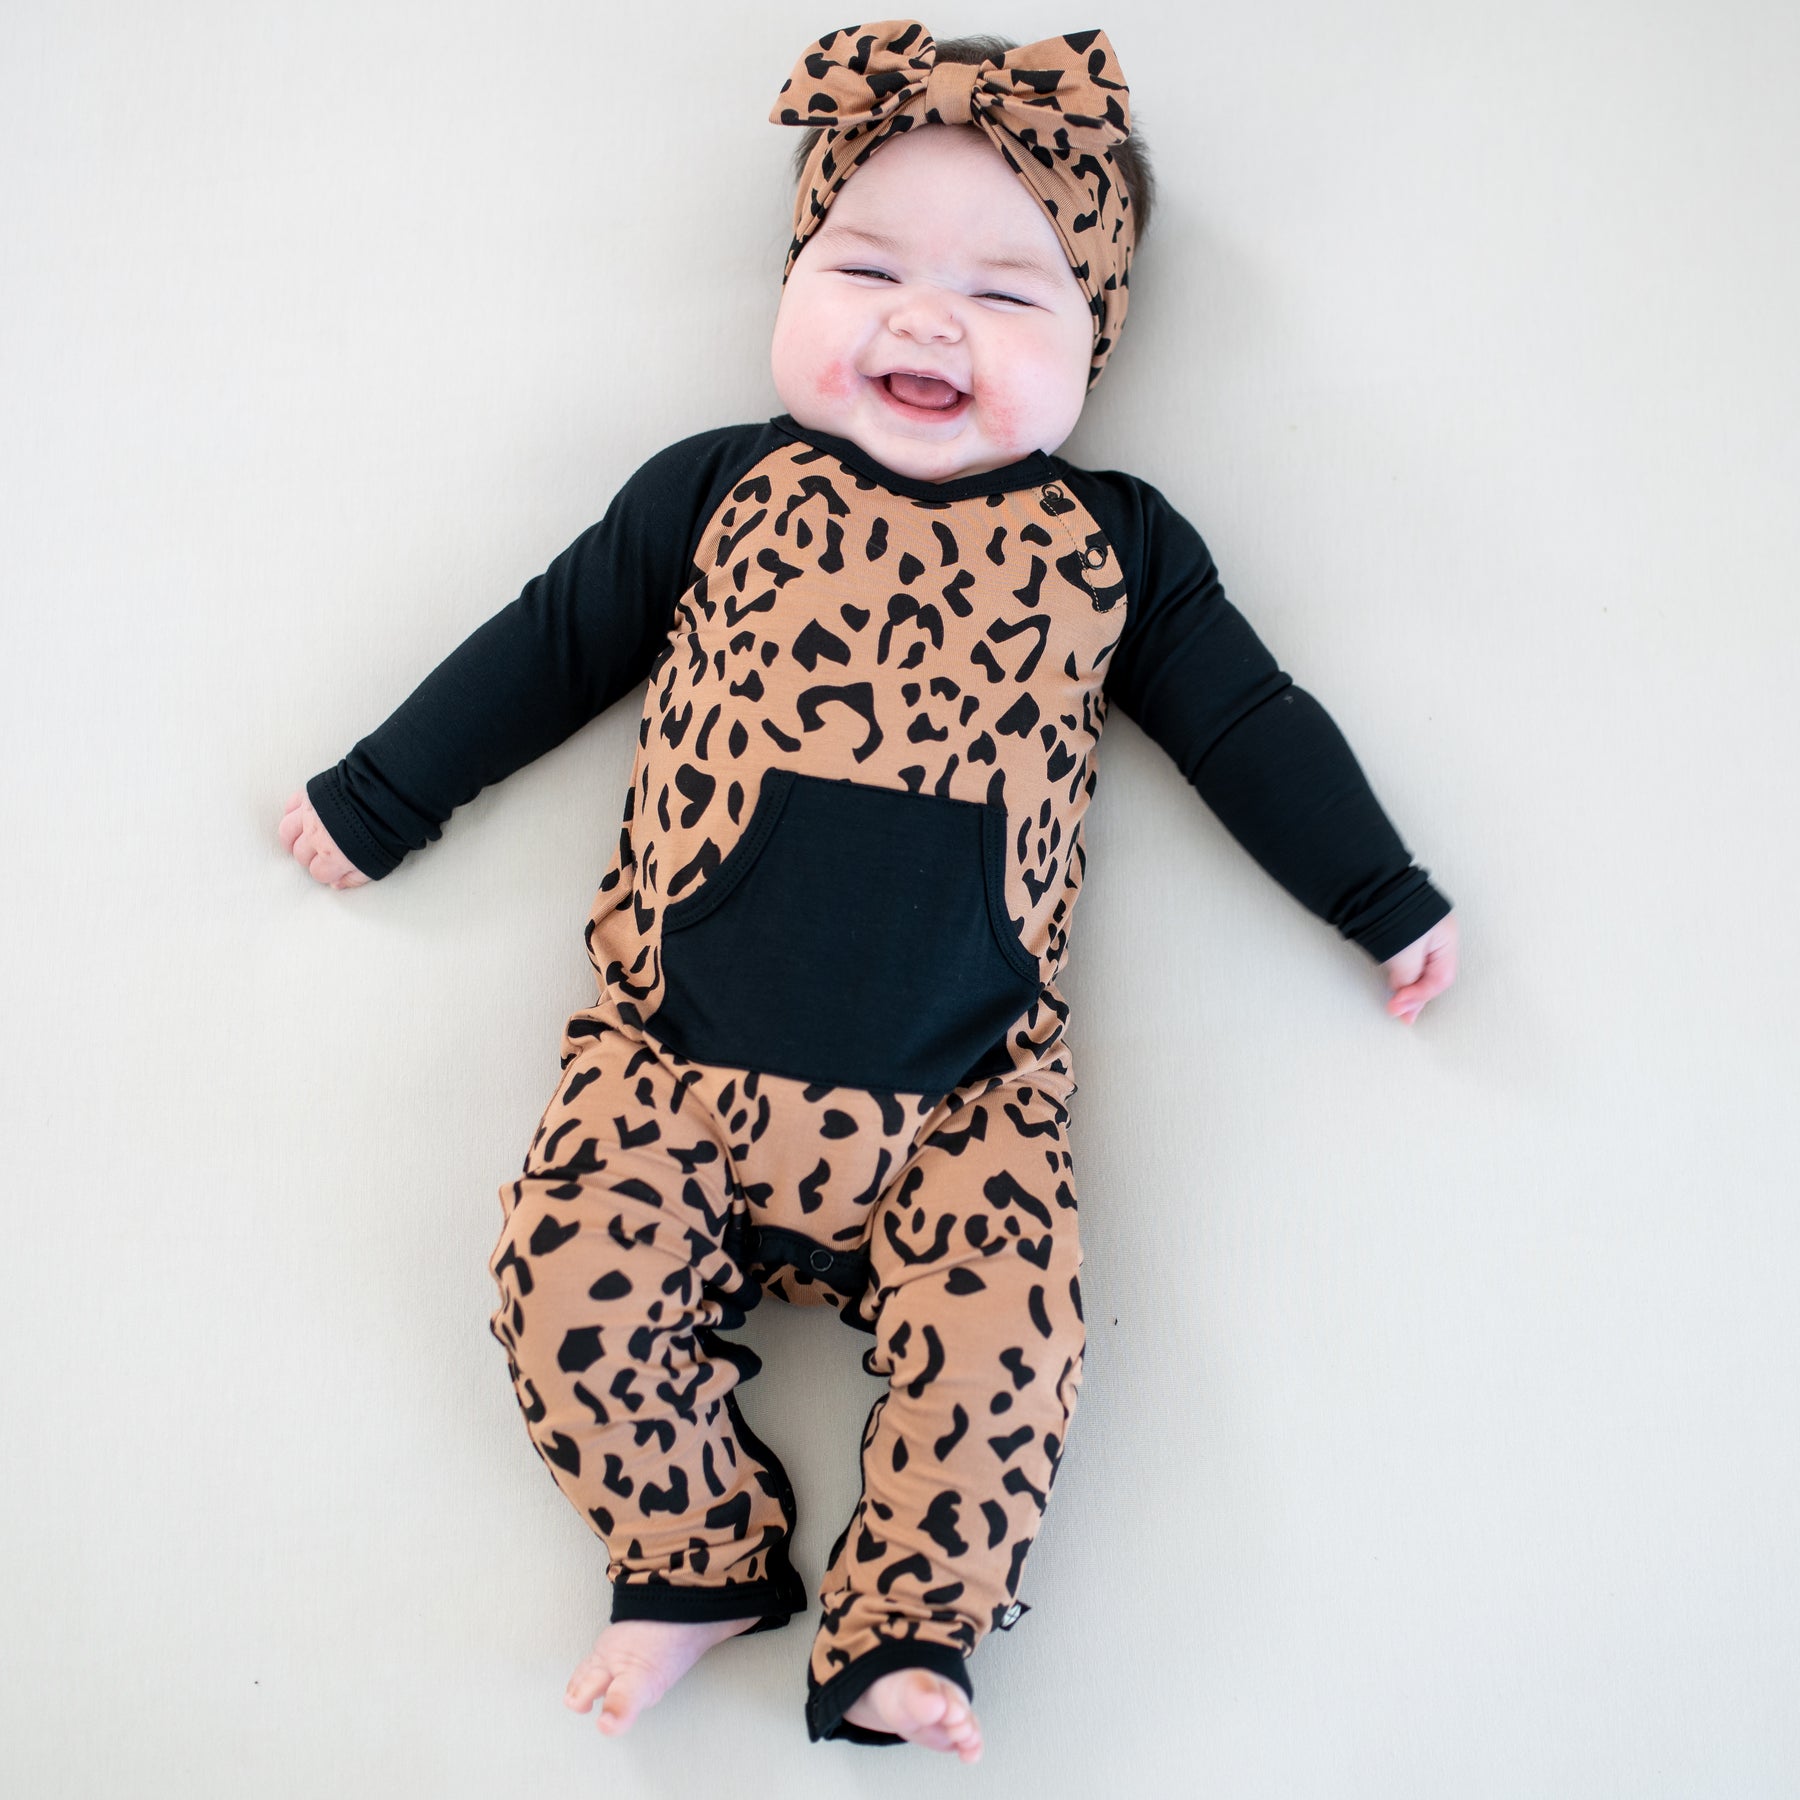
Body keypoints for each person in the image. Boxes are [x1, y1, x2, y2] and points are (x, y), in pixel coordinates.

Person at [278, 21, 1459, 1765]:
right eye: (870, 266)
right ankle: (692, 1559)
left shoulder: (1117, 548)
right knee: (561, 1287)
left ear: (1096, 345)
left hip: (970, 1097)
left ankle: (910, 1624)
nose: (926, 319)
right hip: (664, 1064)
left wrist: (1380, 891)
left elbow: (1252, 731)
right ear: (795, 278)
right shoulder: (720, 491)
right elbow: (547, 646)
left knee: (1009, 1351)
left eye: (1008, 294)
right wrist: (381, 793)